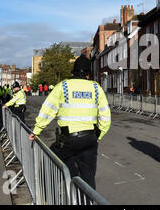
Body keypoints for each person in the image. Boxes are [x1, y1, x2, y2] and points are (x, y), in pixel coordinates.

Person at [29, 54, 111, 189]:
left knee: (50, 165)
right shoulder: (96, 88)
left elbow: (47, 110)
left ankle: (43, 195)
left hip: (69, 139)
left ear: (73, 72)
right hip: (90, 139)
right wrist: (99, 136)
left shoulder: (63, 86)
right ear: (88, 75)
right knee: (88, 177)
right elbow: (105, 116)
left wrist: (36, 131)